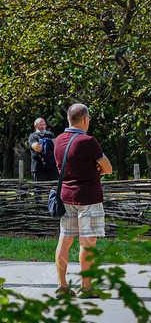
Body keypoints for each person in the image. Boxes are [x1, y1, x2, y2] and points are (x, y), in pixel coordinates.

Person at [53, 103, 112, 297]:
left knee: (65, 240)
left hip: (66, 196)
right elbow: (108, 167)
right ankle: (86, 288)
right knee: (87, 243)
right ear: (85, 119)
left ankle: (62, 286)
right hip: (88, 197)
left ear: (69, 119)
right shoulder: (88, 141)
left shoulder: (58, 140)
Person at [29, 116, 59, 182]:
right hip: (38, 168)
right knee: (39, 190)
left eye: (44, 124)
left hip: (51, 167)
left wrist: (44, 143)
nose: (43, 126)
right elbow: (37, 148)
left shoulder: (50, 134)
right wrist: (48, 143)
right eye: (40, 124)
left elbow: (57, 146)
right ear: (36, 125)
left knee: (54, 189)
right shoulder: (33, 136)